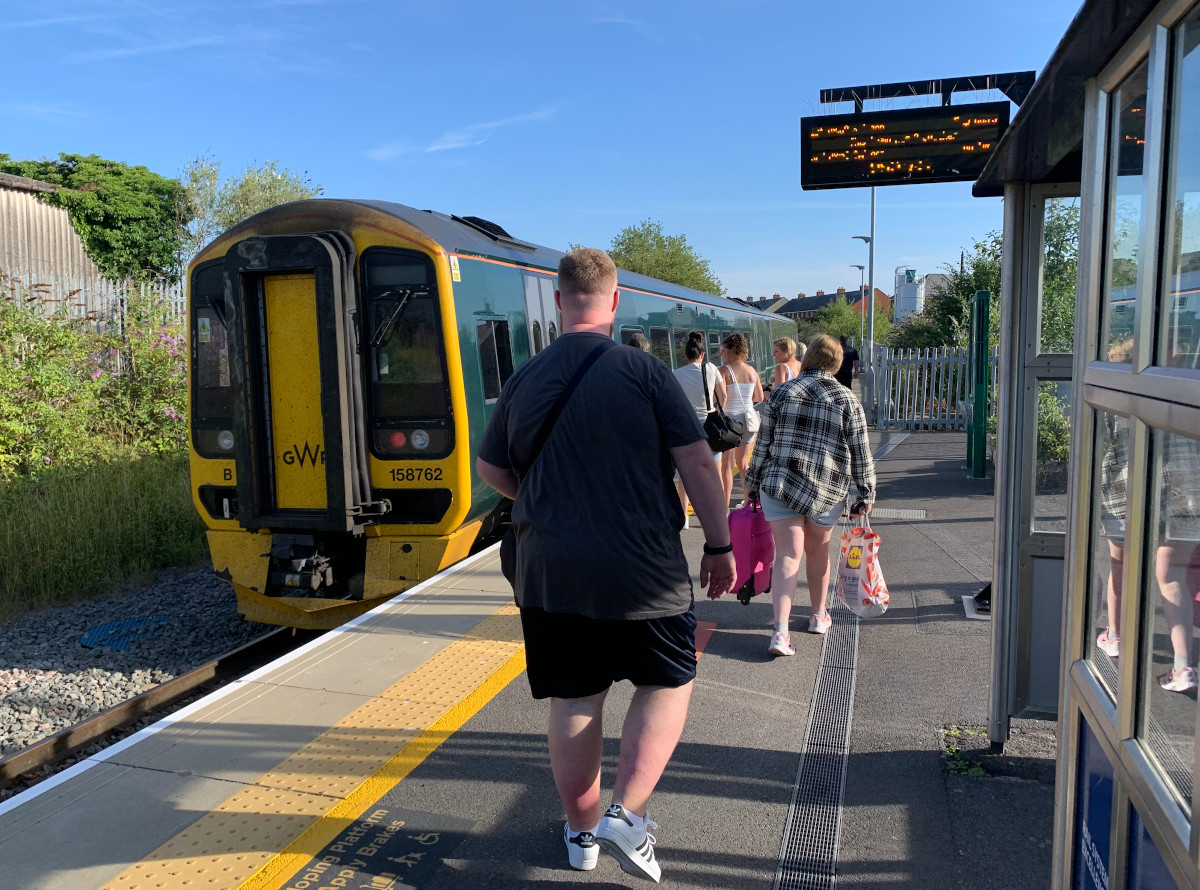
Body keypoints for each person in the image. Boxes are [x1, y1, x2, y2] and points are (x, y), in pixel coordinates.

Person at [476, 248, 736, 881]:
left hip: (551, 571)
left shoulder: (525, 377)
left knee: (575, 696)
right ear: (616, 301)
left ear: (559, 301)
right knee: (667, 681)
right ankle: (628, 814)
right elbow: (698, 464)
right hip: (644, 569)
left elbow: (492, 469)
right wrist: (719, 545)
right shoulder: (646, 373)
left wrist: (543, 500)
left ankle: (581, 836)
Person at [743, 334, 876, 655]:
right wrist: (865, 492)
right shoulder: (847, 399)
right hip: (826, 489)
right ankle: (818, 616)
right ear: (836, 363)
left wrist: (751, 481)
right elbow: (861, 452)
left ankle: (780, 633)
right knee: (818, 552)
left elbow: (763, 444)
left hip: (781, 484)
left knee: (788, 555)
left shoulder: (782, 392)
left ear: (810, 357)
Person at [672, 331, 726, 527]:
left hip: (687, 428)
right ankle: (718, 515)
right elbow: (723, 395)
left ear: (686, 355)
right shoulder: (712, 369)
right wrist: (716, 411)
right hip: (710, 428)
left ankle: (684, 517)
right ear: (702, 354)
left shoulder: (676, 374)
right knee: (715, 474)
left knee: (686, 475)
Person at [717, 332, 764, 509]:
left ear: (732, 351)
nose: (721, 354)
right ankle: (749, 503)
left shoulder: (723, 371)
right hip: (749, 421)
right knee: (743, 464)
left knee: (727, 467)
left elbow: (722, 399)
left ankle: (724, 507)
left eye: (723, 350)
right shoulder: (752, 371)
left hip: (731, 422)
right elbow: (759, 397)